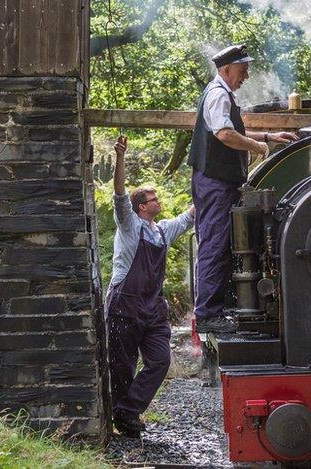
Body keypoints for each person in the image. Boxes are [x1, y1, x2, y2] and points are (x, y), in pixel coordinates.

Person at [187, 44, 297, 333]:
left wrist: (269, 136)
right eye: (242, 70)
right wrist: (258, 146)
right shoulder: (217, 95)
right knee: (214, 244)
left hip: (217, 182)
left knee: (219, 243)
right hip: (216, 183)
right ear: (226, 70)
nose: (246, 76)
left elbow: (231, 130)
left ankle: (215, 308)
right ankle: (208, 315)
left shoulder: (222, 94)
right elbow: (225, 134)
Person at [106, 135, 195, 438]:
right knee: (122, 367)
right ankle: (124, 418)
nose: (160, 201)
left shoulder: (163, 231)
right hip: (125, 304)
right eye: (155, 198)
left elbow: (190, 216)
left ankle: (128, 409)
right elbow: (119, 193)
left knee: (160, 360)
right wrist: (120, 157)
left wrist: (213, 183)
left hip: (153, 309)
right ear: (142, 207)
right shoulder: (129, 225)